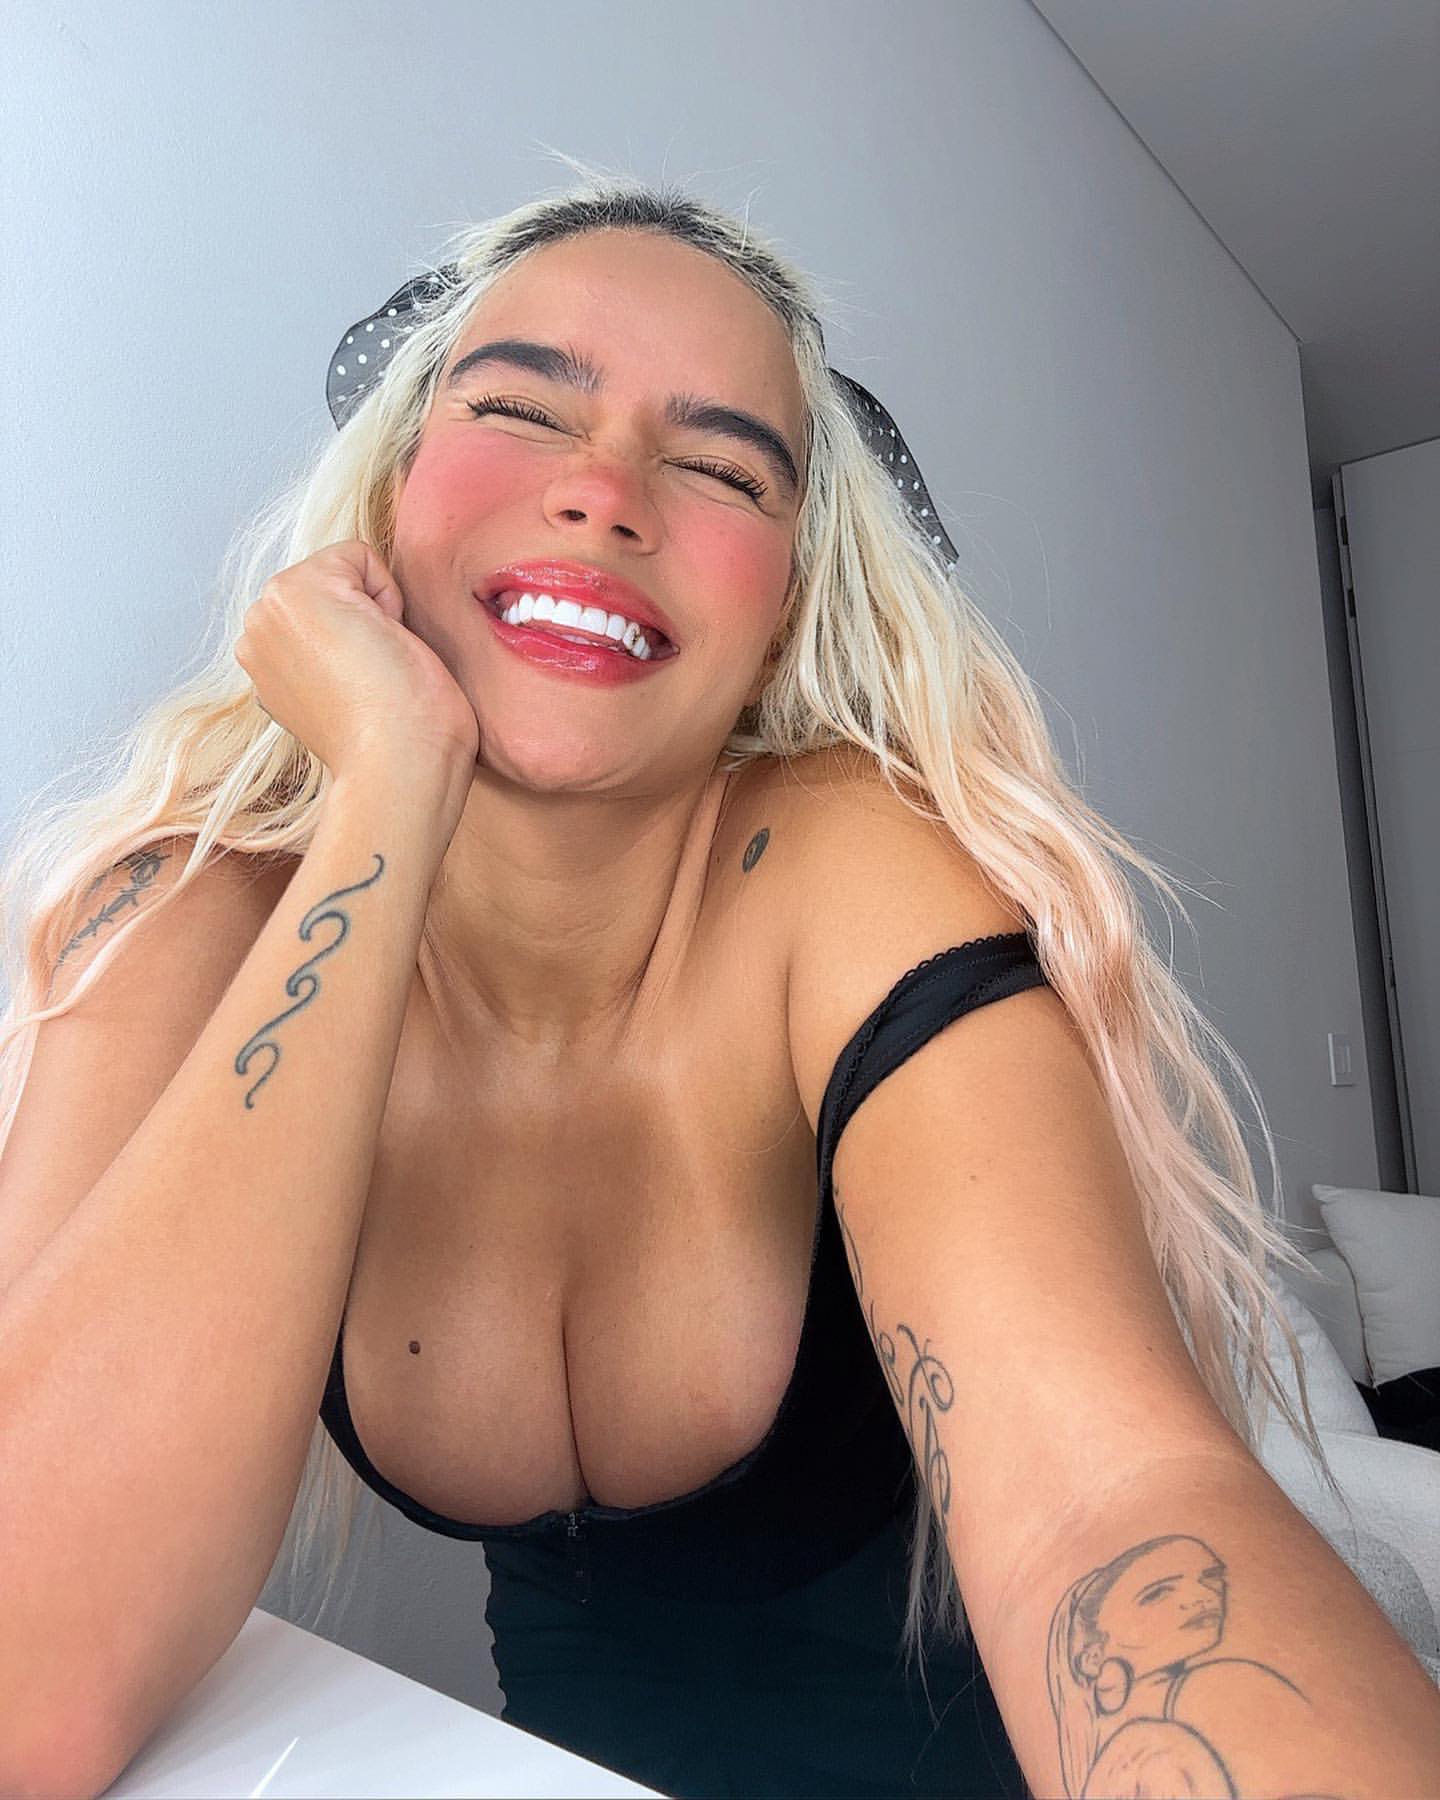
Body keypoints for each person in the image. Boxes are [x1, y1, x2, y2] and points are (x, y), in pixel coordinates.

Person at [3, 174, 1437, 1800]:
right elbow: (23, 1680)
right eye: (520, 408)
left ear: (785, 609)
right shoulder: (188, 909)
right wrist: (389, 793)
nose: (605, 493)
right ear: (390, 498)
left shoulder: (851, 871)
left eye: (721, 466)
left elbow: (1119, 1498)